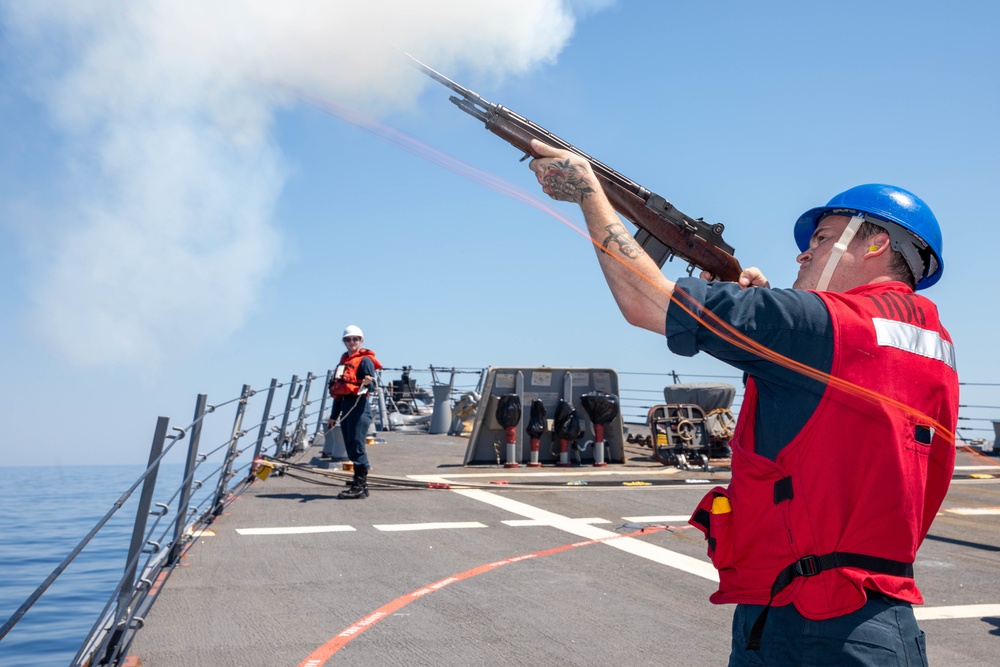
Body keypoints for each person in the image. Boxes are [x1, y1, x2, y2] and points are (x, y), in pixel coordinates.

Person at [528, 138, 958, 666]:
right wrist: (764, 311)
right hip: (877, 619)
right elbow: (828, 405)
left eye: (822, 238)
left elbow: (643, 300)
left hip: (811, 624)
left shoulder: (818, 324)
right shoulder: (930, 339)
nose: (804, 251)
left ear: (874, 245)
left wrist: (589, 193)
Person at [328, 325, 382, 500]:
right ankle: (361, 485)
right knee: (351, 446)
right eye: (349, 339)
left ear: (361, 341)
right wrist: (333, 416)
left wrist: (368, 381)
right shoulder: (343, 362)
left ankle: (359, 486)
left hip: (359, 409)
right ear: (344, 342)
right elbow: (338, 393)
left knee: (357, 447)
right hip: (345, 408)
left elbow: (372, 387)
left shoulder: (365, 361)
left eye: (355, 339)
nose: (352, 342)